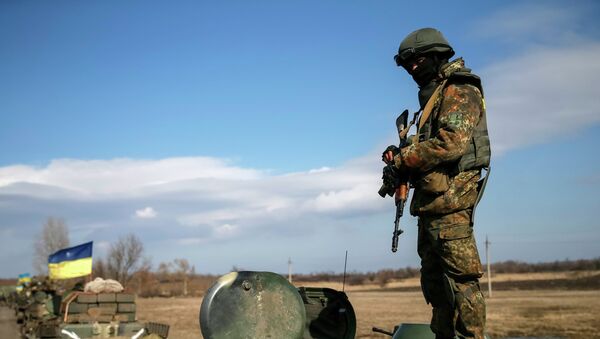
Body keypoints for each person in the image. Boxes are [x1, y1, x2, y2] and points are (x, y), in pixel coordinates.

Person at [382, 28, 491, 339]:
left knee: (461, 283)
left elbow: (450, 144)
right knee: (435, 285)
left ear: (435, 55)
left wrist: (404, 159)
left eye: (416, 63)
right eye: (408, 66)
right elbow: (428, 143)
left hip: (451, 204)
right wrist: (399, 153)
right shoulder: (434, 95)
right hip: (432, 205)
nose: (412, 71)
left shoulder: (459, 89)